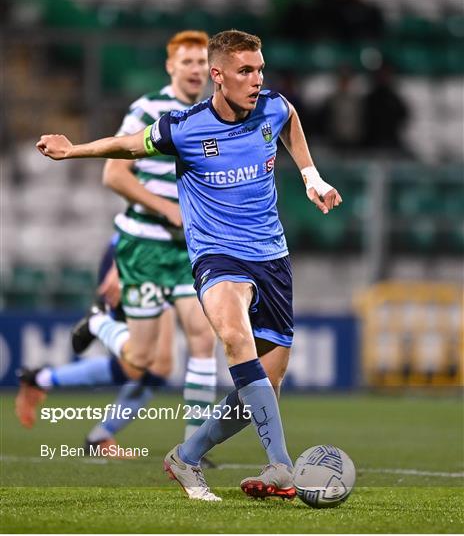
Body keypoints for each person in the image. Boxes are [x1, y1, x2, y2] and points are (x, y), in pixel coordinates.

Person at [36, 29, 342, 502]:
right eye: (245, 71)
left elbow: (290, 121)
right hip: (216, 256)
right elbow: (128, 146)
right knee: (232, 336)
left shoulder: (273, 107)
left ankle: (186, 456)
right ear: (218, 76)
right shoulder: (184, 126)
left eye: (259, 69)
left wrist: (311, 176)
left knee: (262, 386)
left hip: (273, 258)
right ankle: (281, 464)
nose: (256, 79)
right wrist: (72, 150)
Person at [17, 30, 218, 461]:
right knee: (145, 360)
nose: (196, 70)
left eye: (203, 62)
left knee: (200, 341)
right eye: (188, 62)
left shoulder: (213, 113)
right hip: (143, 245)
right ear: (171, 67)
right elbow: (114, 175)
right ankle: (94, 333)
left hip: (187, 249)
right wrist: (166, 209)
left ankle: (194, 447)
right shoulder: (148, 109)